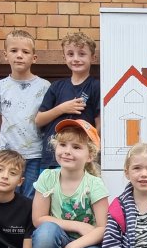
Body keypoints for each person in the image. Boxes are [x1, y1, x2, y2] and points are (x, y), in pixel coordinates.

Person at [30, 119, 108, 248]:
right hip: (58, 237)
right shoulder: (47, 177)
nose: (67, 151)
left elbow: (102, 228)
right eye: (62, 145)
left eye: (76, 147)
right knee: (45, 232)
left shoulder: (94, 184)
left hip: (86, 243)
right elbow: (38, 218)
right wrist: (76, 225)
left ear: (90, 155)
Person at [0, 29, 51, 199]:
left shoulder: (44, 86)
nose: (19, 55)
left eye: (25, 52)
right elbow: (0, 117)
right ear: (5, 55)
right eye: (14, 51)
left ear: (34, 57)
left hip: (35, 153)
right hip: (7, 153)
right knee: (7, 194)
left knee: (31, 197)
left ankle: (28, 227)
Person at [35, 32, 101, 170]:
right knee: (48, 191)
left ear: (93, 57)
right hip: (51, 158)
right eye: (70, 54)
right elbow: (39, 120)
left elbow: (99, 124)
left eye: (82, 54)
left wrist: (91, 149)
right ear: (64, 57)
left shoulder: (96, 86)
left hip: (80, 158)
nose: (76, 59)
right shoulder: (56, 86)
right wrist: (62, 108)